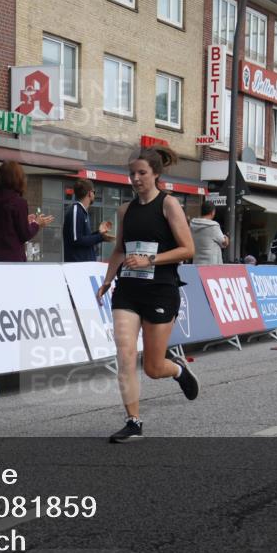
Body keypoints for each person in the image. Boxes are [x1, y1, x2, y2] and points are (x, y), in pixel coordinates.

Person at [95, 147, 199, 443]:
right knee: (125, 354)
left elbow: (187, 249)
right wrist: (107, 280)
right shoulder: (125, 210)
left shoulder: (169, 205)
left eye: (142, 173)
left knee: (153, 368)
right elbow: (119, 250)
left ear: (155, 174)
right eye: (132, 173)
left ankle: (178, 370)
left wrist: (149, 260)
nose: (136, 179)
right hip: (127, 290)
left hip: (160, 291)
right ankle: (133, 421)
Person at [0, 161, 53, 261]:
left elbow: (2, 224)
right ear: (18, 179)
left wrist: (23, 220)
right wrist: (37, 224)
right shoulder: (18, 203)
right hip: (12, 261)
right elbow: (25, 234)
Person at [63, 178, 113, 262]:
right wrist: (101, 237)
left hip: (85, 265)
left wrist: (99, 233)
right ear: (90, 193)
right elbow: (77, 240)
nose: (94, 195)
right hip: (78, 266)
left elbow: (84, 238)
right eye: (94, 192)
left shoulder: (81, 211)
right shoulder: (76, 210)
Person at [189, 200, 229, 265]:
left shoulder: (193, 224)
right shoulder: (213, 226)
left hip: (197, 262)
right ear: (213, 212)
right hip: (211, 264)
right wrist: (226, 239)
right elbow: (223, 243)